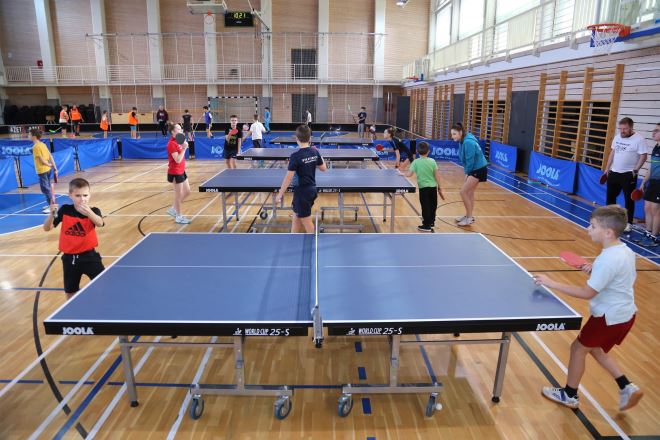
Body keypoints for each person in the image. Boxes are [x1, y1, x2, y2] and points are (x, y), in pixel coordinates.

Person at [533, 205, 643, 412]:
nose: (587, 229)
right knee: (595, 349)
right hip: (626, 314)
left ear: (608, 232)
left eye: (592, 226)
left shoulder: (607, 260)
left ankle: (569, 394)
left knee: (578, 348)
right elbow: (615, 277)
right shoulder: (625, 251)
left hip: (607, 316)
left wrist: (551, 283)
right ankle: (626, 386)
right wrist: (594, 270)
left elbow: (587, 293)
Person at [43, 178, 105, 299]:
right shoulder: (65, 210)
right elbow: (47, 228)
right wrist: (51, 215)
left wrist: (89, 213)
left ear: (90, 195)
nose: (82, 199)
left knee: (103, 285)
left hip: (90, 257)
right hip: (69, 260)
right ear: (70, 195)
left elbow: (100, 223)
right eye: (78, 195)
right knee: (70, 292)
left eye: (85, 195)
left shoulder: (94, 211)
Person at [276, 125, 327, 233]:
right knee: (296, 218)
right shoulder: (315, 152)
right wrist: (319, 153)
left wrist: (280, 194)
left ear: (296, 138)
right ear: (310, 138)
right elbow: (324, 168)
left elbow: (288, 178)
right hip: (311, 190)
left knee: (307, 222)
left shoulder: (295, 156)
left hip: (302, 193)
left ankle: (313, 241)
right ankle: (293, 238)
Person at [604, 117, 648, 232]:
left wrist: (636, 170)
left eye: (625, 129)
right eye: (621, 128)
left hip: (628, 174)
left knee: (629, 200)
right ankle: (610, 220)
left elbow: (644, 155)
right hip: (614, 172)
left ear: (631, 127)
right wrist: (607, 168)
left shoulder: (639, 139)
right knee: (610, 197)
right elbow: (613, 152)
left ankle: (628, 223)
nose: (622, 131)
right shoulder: (617, 137)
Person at [398, 141, 445, 232]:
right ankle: (431, 222)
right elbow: (437, 175)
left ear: (417, 151)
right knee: (433, 205)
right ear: (429, 151)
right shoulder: (432, 161)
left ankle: (426, 225)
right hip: (433, 187)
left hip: (423, 188)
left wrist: (402, 174)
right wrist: (440, 187)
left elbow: (409, 174)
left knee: (425, 206)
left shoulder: (415, 162)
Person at [451, 122, 488, 227]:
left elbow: (470, 160)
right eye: (452, 134)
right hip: (475, 168)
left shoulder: (468, 142)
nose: (452, 136)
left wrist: (467, 173)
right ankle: (468, 215)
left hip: (478, 169)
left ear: (460, 133)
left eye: (454, 134)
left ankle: (469, 218)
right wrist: (468, 172)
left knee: (463, 192)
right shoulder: (463, 140)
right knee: (470, 192)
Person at [165, 123, 192, 225]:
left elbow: (183, 146)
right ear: (173, 132)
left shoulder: (178, 141)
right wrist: (184, 148)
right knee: (178, 195)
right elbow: (177, 160)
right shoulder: (171, 144)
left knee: (187, 191)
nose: (181, 130)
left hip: (181, 170)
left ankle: (173, 208)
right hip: (175, 172)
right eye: (179, 129)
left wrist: (184, 145)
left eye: (181, 129)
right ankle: (179, 217)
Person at [639, 122, 659, 247]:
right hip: (652, 182)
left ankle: (654, 237)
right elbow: (652, 167)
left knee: (656, 210)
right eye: (654, 130)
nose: (653, 132)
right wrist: (643, 182)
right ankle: (648, 232)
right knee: (647, 207)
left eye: (657, 130)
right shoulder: (656, 147)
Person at [31, 128, 58, 214]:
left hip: (42, 170)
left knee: (45, 189)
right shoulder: (43, 144)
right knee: (47, 188)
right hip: (48, 170)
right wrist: (54, 166)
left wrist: (49, 165)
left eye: (29, 135)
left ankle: (52, 207)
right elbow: (50, 156)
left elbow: (42, 160)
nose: (28, 136)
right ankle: (50, 204)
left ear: (34, 136)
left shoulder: (35, 147)